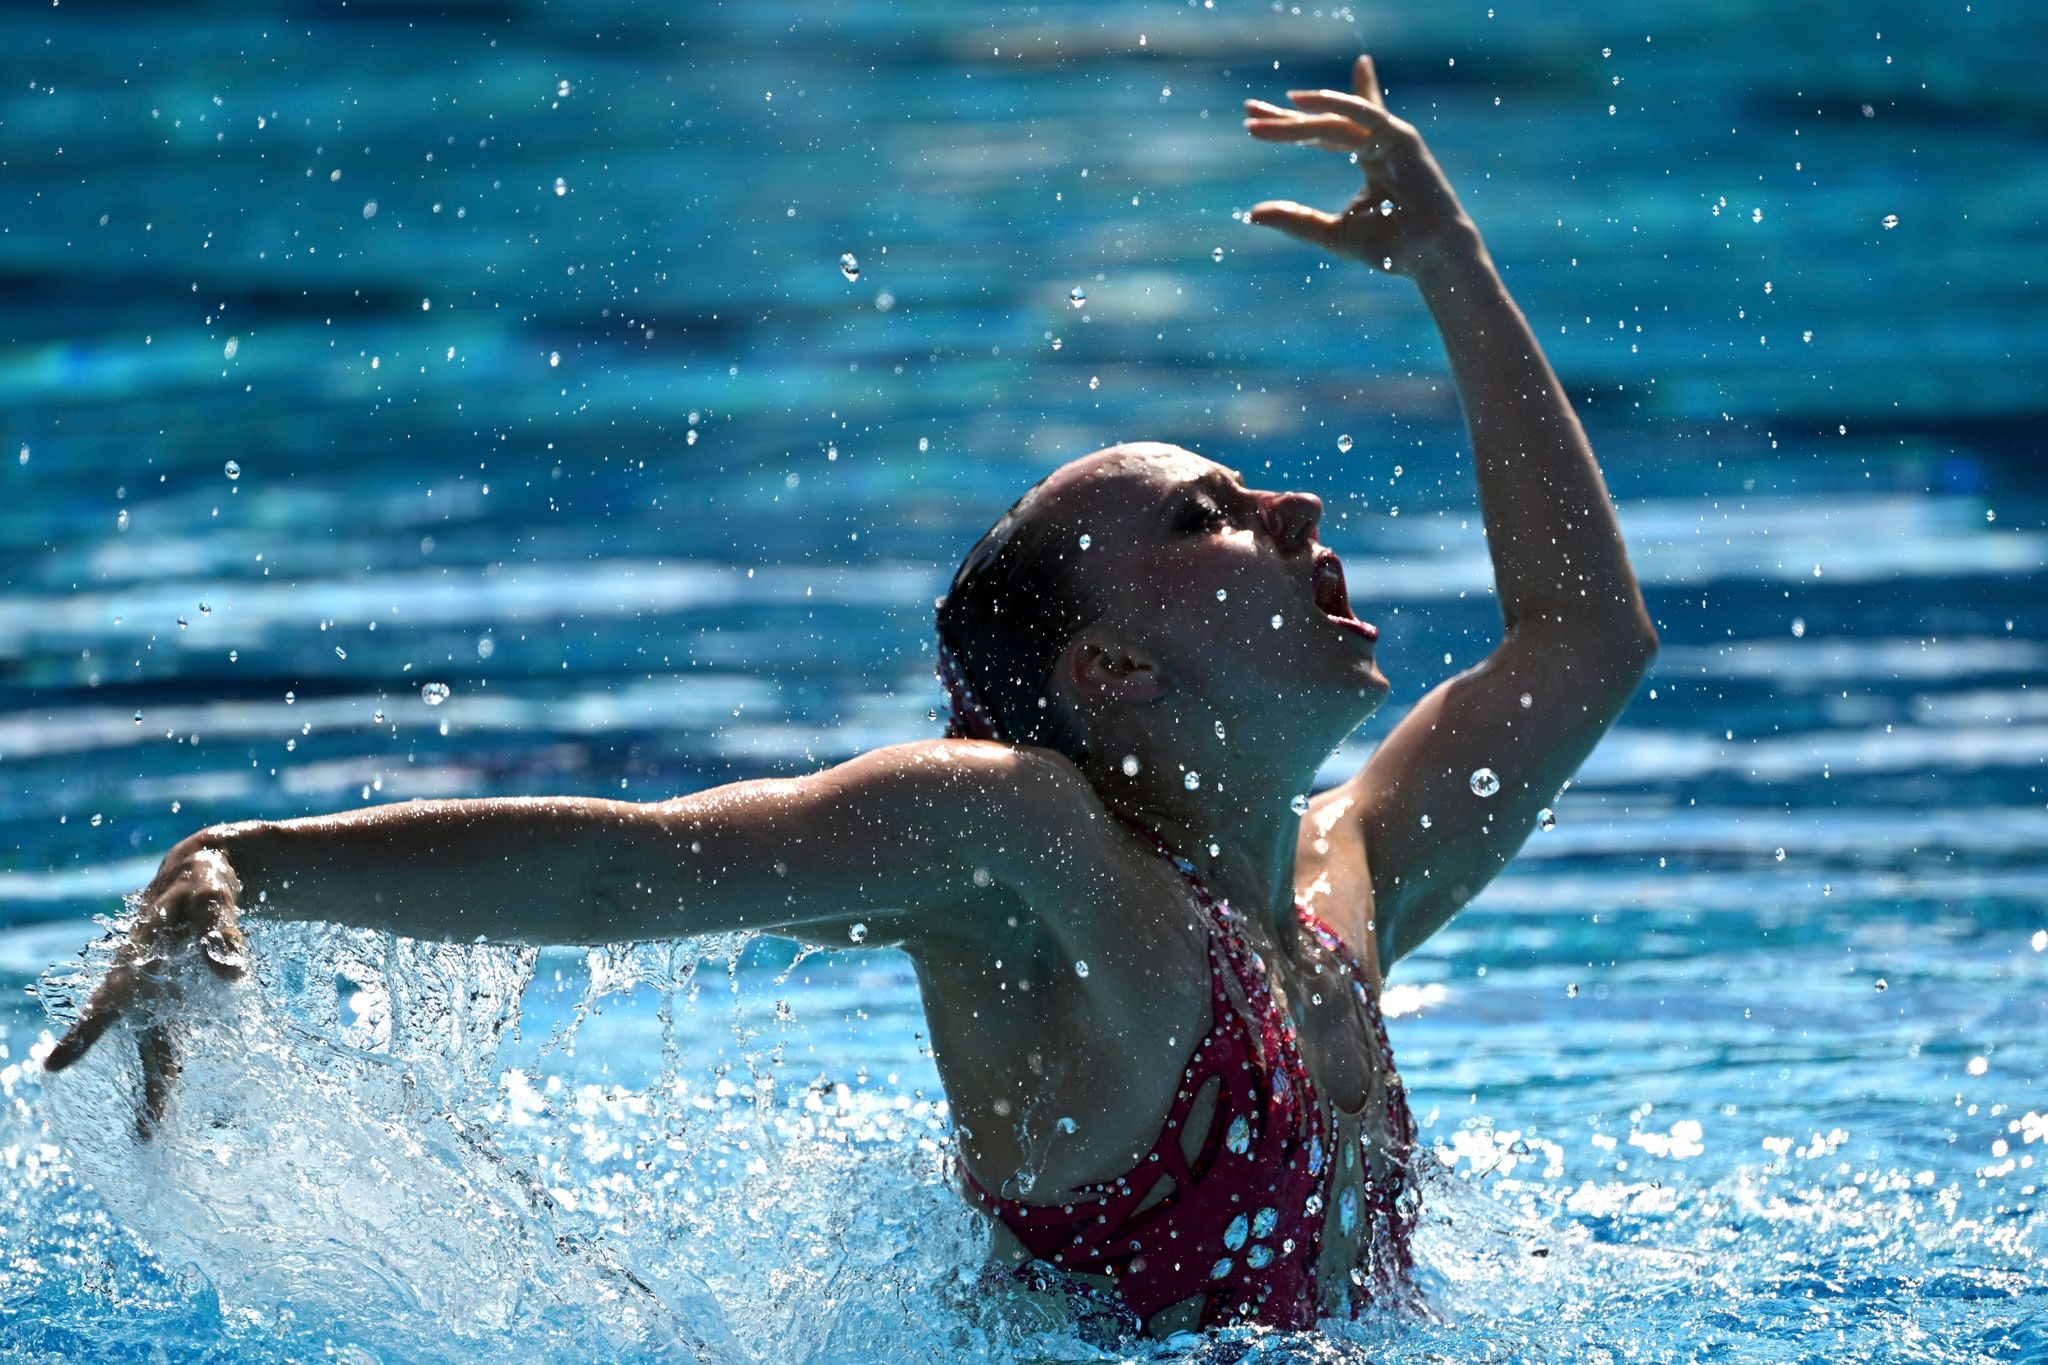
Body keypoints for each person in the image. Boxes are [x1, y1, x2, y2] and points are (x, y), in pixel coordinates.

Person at [43, 54, 1657, 1340]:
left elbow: (1588, 644)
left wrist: (1448, 258)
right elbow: (648, 861)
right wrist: (259, 860)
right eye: (1206, 516)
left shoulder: (1334, 892)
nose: (1291, 515)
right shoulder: (1030, 854)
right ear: (1109, 674)